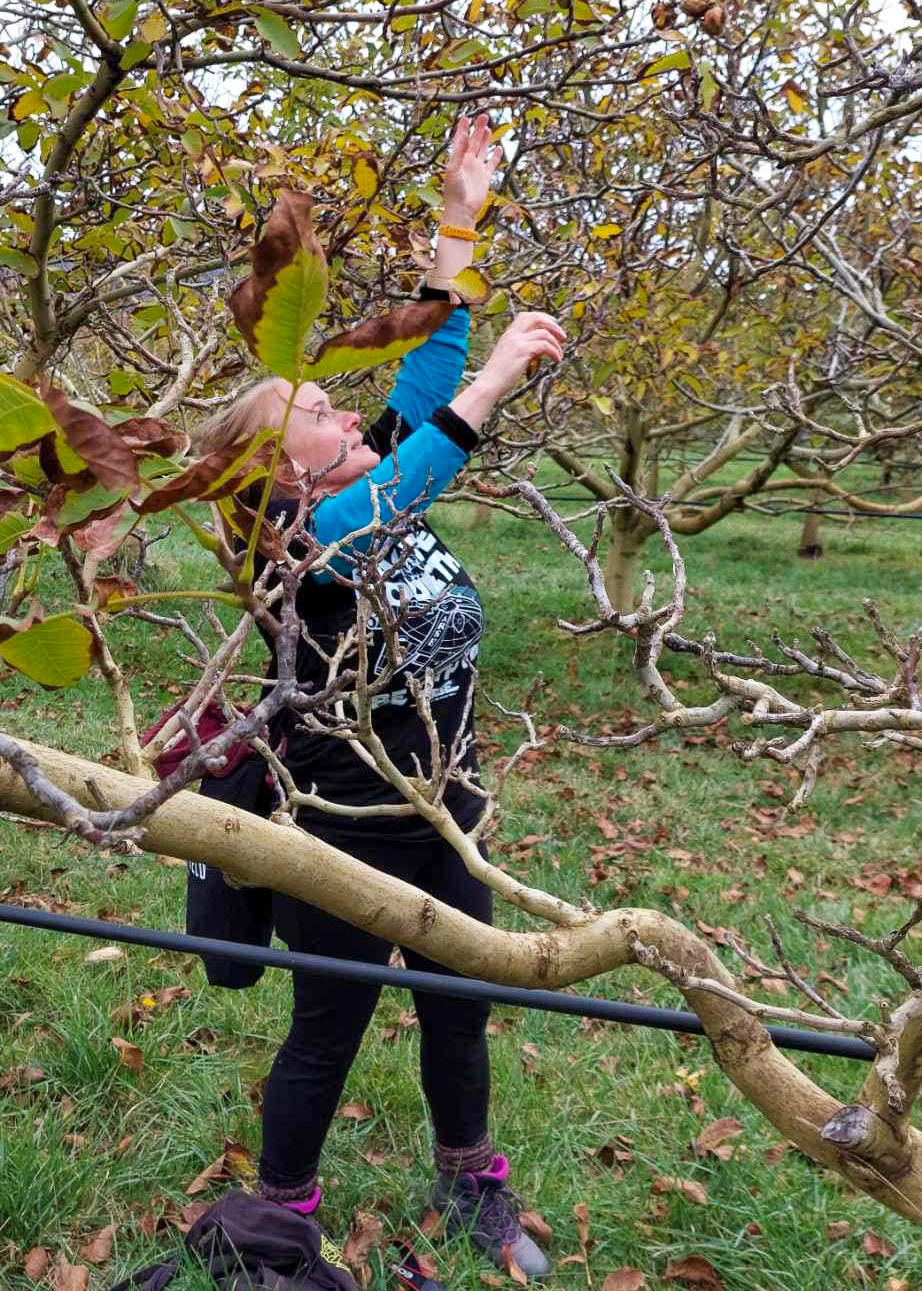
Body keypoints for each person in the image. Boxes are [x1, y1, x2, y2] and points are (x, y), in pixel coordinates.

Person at [193, 114, 565, 1280]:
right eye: (314, 413)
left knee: (460, 1008)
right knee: (327, 1028)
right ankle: (280, 1215)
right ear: (278, 474)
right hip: (344, 829)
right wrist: (501, 381)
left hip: (447, 808)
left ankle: (471, 1187)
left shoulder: (373, 487)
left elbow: (425, 375)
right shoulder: (308, 546)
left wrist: (458, 217)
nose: (342, 413)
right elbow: (433, 444)